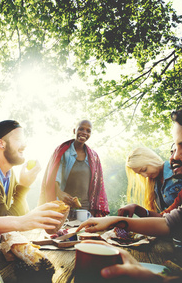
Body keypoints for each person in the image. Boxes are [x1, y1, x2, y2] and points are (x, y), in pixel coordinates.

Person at [75, 109, 182, 282]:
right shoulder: (156, 184)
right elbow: (170, 220)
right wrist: (126, 215)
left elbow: (167, 220)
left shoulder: (176, 174)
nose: (175, 156)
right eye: (174, 148)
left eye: (144, 169)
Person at [38, 119, 109, 217]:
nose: (84, 133)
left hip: (85, 209)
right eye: (81, 129)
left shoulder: (93, 157)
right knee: (64, 231)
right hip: (63, 207)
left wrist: (93, 210)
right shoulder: (63, 152)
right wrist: (59, 192)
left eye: (88, 131)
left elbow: (97, 186)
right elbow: (54, 175)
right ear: (74, 130)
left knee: (84, 232)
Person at [0, 120, 41, 216]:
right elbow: (5, 221)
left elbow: (23, 214)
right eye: (18, 139)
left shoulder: (9, 172)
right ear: (1, 144)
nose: (24, 145)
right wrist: (23, 186)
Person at [119, 144, 182, 218]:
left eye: (144, 170)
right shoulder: (153, 185)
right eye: (140, 174)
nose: (145, 176)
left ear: (152, 160)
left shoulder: (178, 171)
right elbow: (164, 216)